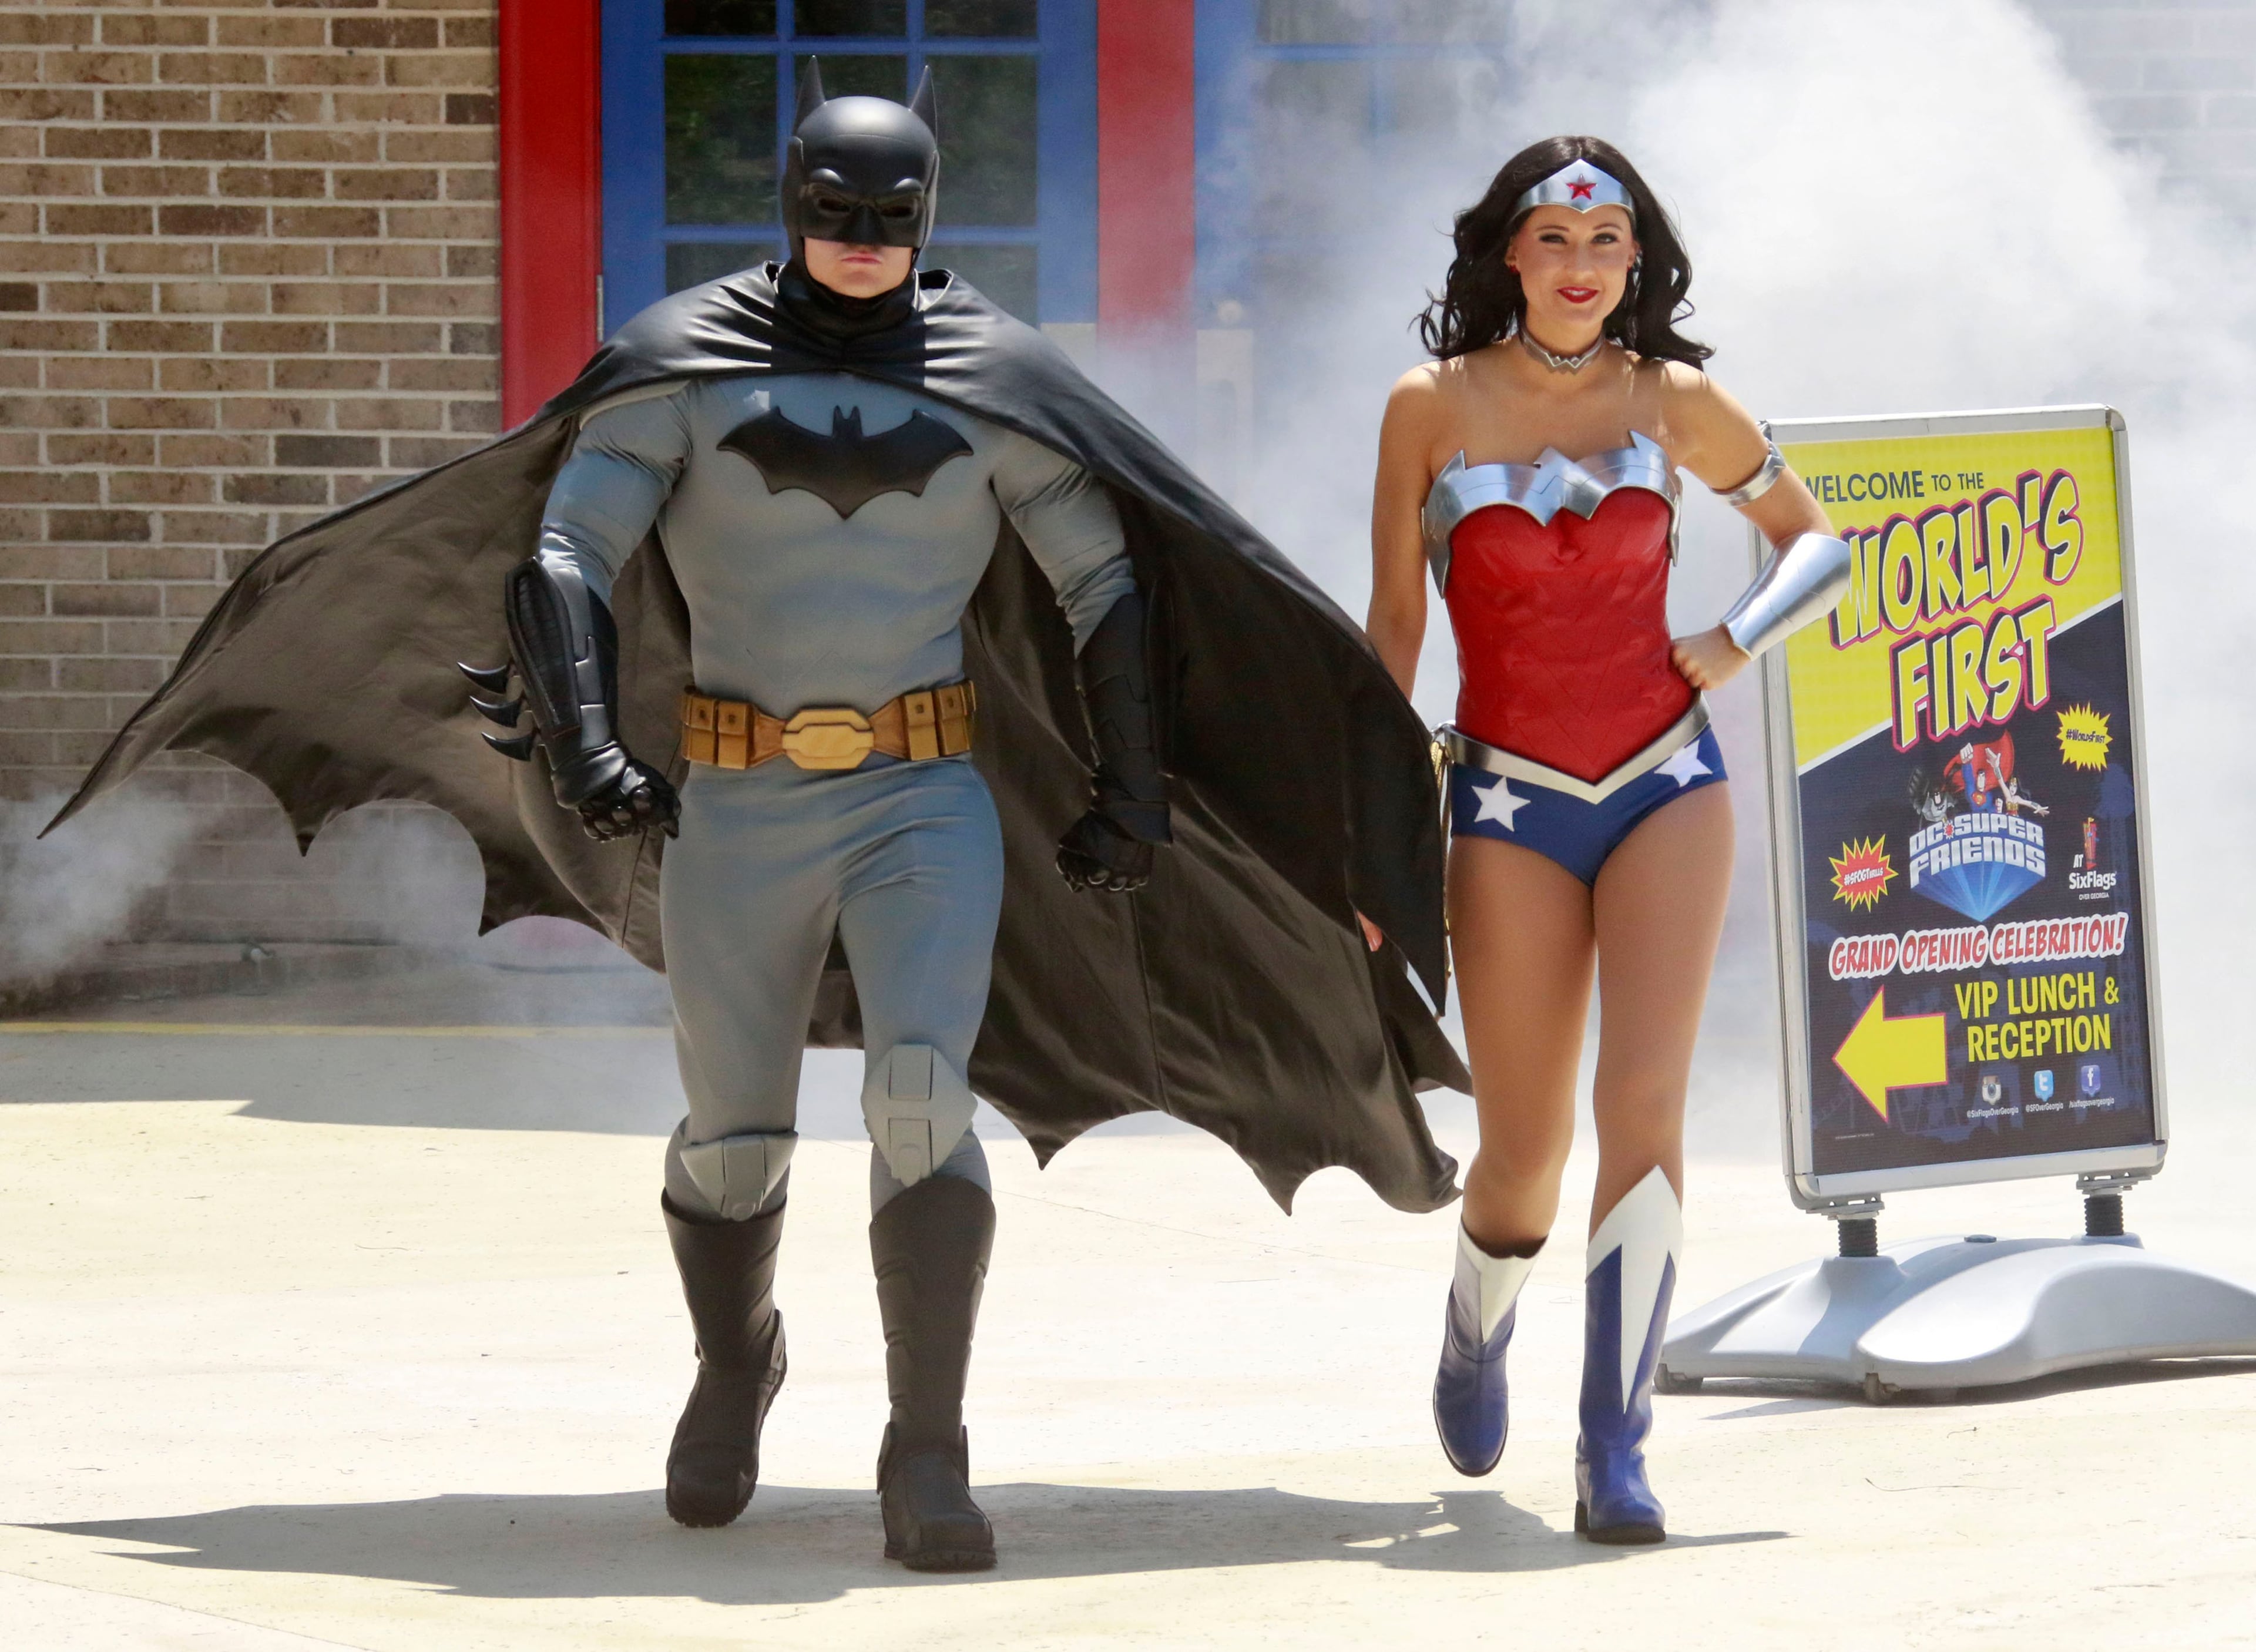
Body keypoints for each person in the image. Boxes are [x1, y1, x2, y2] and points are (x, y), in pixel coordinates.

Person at [54, 66, 1466, 1572]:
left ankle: (929, 1441)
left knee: (922, 1098)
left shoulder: (991, 375)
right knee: (734, 1137)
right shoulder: (686, 366)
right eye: (833, 216)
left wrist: (1130, 785)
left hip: (928, 791)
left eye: (889, 220)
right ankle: (739, 1361)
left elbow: (1108, 583)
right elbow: (563, 556)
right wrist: (588, 738)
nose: (859, 243)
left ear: (928, 222)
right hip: (736, 796)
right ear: (792, 210)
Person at [1364, 136, 1850, 1543]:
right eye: (1554, 241)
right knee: (1522, 1152)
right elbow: (1395, 627)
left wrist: (1734, 637)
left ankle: (1613, 1445)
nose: (1581, 269)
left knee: (1644, 1112)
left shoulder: (1673, 397)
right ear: (1508, 253)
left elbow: (1816, 543)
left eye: (1607, 244)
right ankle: (1475, 1324)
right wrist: (1359, 817)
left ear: (1638, 260)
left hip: (1667, 787)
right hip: (1505, 793)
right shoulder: (1429, 406)